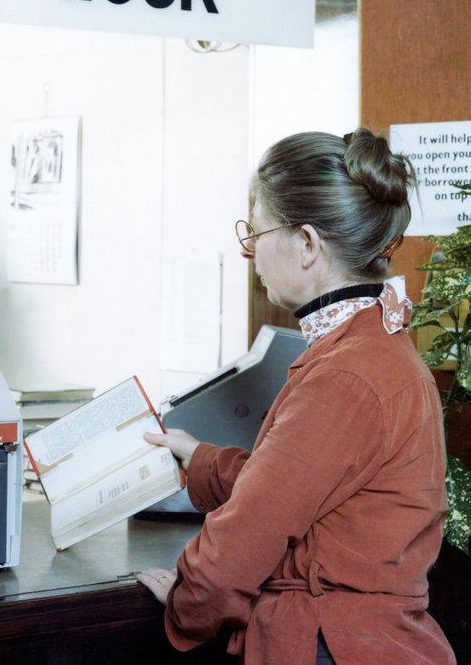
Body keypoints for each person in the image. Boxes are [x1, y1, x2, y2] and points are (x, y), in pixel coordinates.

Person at [137, 129, 455, 664]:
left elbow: (245, 539)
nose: (249, 253)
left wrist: (187, 602)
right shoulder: (375, 346)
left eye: (256, 232)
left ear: (307, 244)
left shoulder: (345, 375)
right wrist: (203, 461)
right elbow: (316, 496)